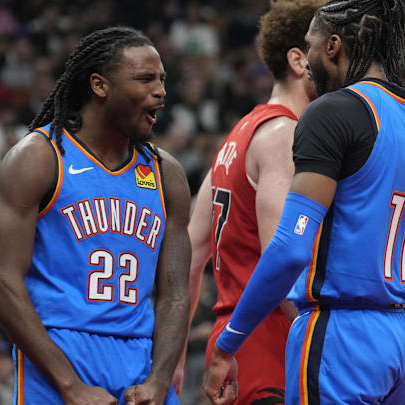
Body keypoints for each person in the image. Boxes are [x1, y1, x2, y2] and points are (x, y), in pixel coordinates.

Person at [204, 1, 405, 404]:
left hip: (339, 335)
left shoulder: (334, 112)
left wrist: (228, 344)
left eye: (311, 46)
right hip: (401, 341)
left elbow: (290, 248)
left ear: (332, 46)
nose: (308, 62)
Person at [0, 27, 191, 405]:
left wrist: (160, 379)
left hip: (140, 359)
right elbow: (1, 281)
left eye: (162, 79)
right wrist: (69, 385)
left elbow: (175, 294)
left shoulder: (166, 174)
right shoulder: (40, 157)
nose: (160, 91)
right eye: (145, 79)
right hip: (58, 353)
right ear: (100, 86)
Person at [178, 0, 320, 402]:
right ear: (298, 60)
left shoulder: (241, 132)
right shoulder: (286, 136)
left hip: (232, 340)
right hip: (268, 341)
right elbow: (285, 263)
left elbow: (190, 253)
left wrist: (171, 355)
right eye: (331, 51)